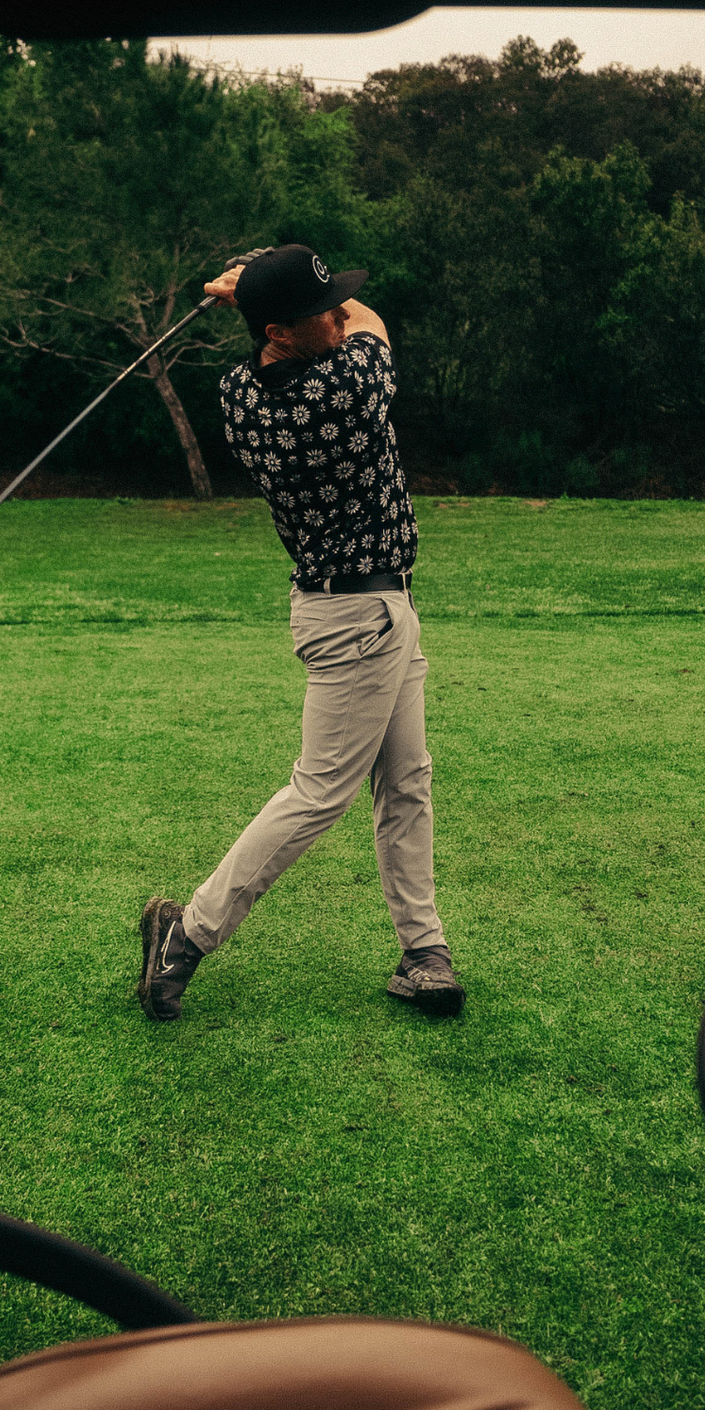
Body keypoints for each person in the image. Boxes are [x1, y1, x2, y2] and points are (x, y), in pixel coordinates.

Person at [138, 243, 463, 1023]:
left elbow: (324, 321)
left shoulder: (239, 394)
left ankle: (423, 950)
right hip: (360, 620)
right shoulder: (346, 386)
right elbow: (370, 320)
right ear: (281, 331)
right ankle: (187, 934)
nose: (336, 315)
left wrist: (254, 291)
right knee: (319, 794)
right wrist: (246, 288)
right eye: (319, 310)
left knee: (406, 780)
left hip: (363, 609)